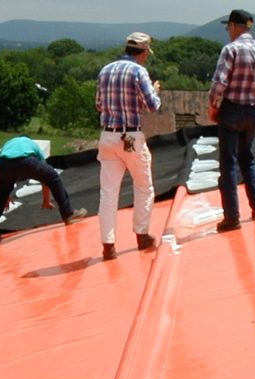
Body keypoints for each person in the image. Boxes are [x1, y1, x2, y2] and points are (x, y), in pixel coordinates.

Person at [208, 9, 255, 232]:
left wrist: (213, 106)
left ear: (233, 26)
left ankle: (232, 217)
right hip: (252, 112)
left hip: (231, 111)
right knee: (247, 159)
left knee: (228, 163)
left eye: (227, 27)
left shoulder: (231, 50)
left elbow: (219, 84)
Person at [94, 32, 162, 261]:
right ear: (143, 52)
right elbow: (152, 106)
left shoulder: (105, 70)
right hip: (130, 135)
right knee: (143, 185)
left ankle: (108, 245)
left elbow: (98, 105)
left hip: (108, 136)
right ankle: (141, 234)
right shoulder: (138, 71)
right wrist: (154, 90)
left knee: (108, 193)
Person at [0, 136, 88, 245]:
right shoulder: (32, 145)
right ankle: (68, 214)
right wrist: (46, 200)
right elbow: (46, 177)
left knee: (1, 194)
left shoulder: (6, 148)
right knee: (53, 177)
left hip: (6, 165)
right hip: (26, 161)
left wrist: (4, 194)